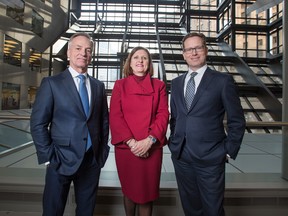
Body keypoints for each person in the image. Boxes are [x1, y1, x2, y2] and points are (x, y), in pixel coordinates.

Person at [30, 32, 110, 216]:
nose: (83, 53)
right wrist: (49, 156)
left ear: (91, 55)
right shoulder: (51, 83)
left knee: (86, 211)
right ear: (68, 52)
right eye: (78, 48)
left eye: (88, 50)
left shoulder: (98, 86)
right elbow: (38, 123)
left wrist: (102, 153)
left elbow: (103, 121)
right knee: (53, 211)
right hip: (60, 159)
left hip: (91, 161)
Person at [169, 32, 246, 216]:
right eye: (189, 49)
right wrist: (174, 143)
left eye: (198, 47)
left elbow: (237, 120)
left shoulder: (222, 81)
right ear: (183, 54)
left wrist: (227, 150)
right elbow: (176, 118)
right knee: (191, 209)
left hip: (211, 157)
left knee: (213, 210)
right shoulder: (176, 83)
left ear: (206, 50)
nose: (193, 52)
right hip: (182, 157)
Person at [109, 46, 169, 216]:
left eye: (144, 58)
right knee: (128, 191)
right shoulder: (120, 85)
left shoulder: (159, 86)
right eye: (136, 57)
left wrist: (149, 141)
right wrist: (132, 142)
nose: (140, 61)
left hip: (151, 146)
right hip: (127, 147)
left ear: (149, 63)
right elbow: (115, 115)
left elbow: (163, 114)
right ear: (130, 62)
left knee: (147, 195)